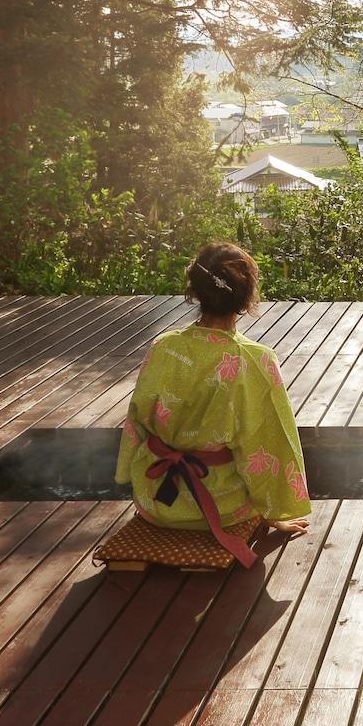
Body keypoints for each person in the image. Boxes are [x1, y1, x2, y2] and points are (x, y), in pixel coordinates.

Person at [114, 241, 310, 566]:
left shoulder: (164, 347)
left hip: (155, 501)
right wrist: (275, 511)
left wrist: (128, 475)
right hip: (222, 508)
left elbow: (137, 420)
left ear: (194, 291)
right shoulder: (255, 361)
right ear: (247, 299)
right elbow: (268, 444)